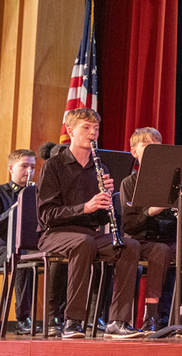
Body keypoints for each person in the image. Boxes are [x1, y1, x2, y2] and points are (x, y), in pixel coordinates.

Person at [36, 108, 144, 339]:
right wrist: (85, 206)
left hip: (87, 233)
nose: (93, 133)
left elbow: (100, 218)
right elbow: (46, 214)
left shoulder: (100, 168)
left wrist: (108, 202)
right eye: (86, 127)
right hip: (55, 233)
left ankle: (118, 321)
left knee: (129, 246)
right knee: (83, 243)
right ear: (70, 130)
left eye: (95, 128)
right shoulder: (53, 166)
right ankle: (73, 321)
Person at [120, 128, 182, 332]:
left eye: (157, 147)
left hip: (171, 240)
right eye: (147, 147)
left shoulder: (174, 183)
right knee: (161, 250)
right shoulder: (129, 183)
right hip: (144, 241)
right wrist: (150, 211)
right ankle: (151, 317)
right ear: (134, 152)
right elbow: (129, 225)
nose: (154, 151)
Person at [0, 149, 36, 334]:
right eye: (24, 166)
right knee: (22, 255)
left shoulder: (36, 194)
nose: (29, 171)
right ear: (11, 168)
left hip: (24, 248)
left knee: (58, 258)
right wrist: (15, 210)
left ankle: (57, 317)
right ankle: (23, 319)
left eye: (32, 167)